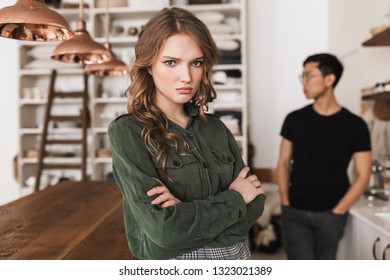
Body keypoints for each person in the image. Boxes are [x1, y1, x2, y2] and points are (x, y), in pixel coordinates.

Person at [108, 7, 265, 260]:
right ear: (148, 66)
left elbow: (256, 203)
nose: (187, 77)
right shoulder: (127, 131)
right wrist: (235, 198)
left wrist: (187, 213)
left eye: (196, 63)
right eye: (171, 62)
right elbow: (165, 231)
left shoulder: (215, 127)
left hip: (237, 257)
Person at [275, 53, 372, 260]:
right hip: (295, 211)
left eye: (309, 76)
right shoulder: (294, 119)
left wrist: (340, 209)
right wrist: (285, 201)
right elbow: (283, 163)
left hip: (332, 213)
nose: (304, 82)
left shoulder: (356, 125)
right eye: (302, 76)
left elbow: (364, 175)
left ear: (329, 79)